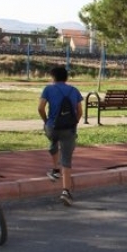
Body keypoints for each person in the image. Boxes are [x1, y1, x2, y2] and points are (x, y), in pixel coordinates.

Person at [38, 66, 83, 206]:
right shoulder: (74, 90)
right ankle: (65, 191)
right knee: (67, 159)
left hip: (52, 127)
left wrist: (46, 121)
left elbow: (40, 108)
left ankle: (55, 169)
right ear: (66, 77)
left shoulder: (48, 89)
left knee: (53, 140)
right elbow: (80, 111)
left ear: (53, 77)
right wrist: (74, 123)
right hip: (68, 129)